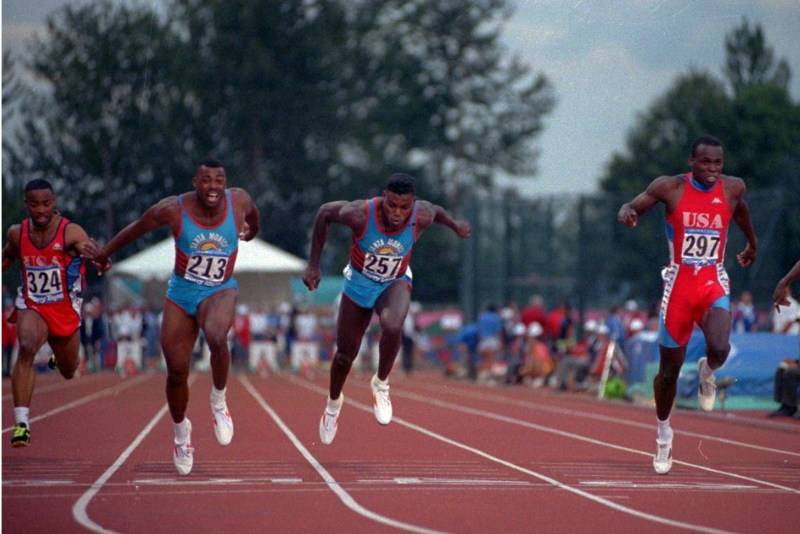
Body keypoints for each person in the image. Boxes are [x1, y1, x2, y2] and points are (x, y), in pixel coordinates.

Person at [89, 157, 259, 475]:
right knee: (177, 372)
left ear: (226, 182)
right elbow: (138, 228)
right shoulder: (173, 209)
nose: (213, 187)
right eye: (206, 180)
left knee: (218, 336)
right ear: (195, 182)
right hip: (181, 294)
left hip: (220, 288)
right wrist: (106, 252)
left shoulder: (239, 200)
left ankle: (219, 402)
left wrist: (250, 231)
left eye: (219, 180)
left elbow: (254, 216)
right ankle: (182, 433)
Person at [617, 135, 757, 475]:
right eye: (706, 163)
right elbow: (635, 205)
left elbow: (740, 212)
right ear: (691, 162)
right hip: (678, 287)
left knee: (719, 347)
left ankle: (708, 370)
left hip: (712, 281)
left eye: (718, 163)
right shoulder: (670, 188)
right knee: (669, 374)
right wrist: (628, 212)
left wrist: (751, 242)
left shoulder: (733, 188)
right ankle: (664, 436)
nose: (712, 169)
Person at [302, 173, 470, 445]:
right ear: (383, 198)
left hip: (395, 281)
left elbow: (437, 212)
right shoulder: (359, 213)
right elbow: (324, 213)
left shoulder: (421, 215)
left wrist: (454, 225)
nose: (397, 213)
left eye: (405, 207)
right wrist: (313, 265)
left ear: (413, 204)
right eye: (392, 205)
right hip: (359, 284)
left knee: (393, 325)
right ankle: (333, 405)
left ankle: (381, 383)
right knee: (346, 355)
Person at [1, 179, 100, 447]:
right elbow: (8, 256)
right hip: (33, 303)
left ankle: (59, 358)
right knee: (27, 346)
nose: (41, 210)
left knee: (69, 369)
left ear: (53, 202)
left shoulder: (70, 231)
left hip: (64, 308)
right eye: (34, 205)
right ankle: (21, 423)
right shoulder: (16, 233)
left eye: (46, 204)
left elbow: (91, 251)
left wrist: (100, 258)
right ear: (26, 205)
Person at [770, 259, 800, 418]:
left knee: (790, 372)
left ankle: (791, 406)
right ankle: (784, 405)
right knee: (783, 368)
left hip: (788, 336)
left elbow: (793, 320)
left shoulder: (793, 305)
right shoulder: (778, 305)